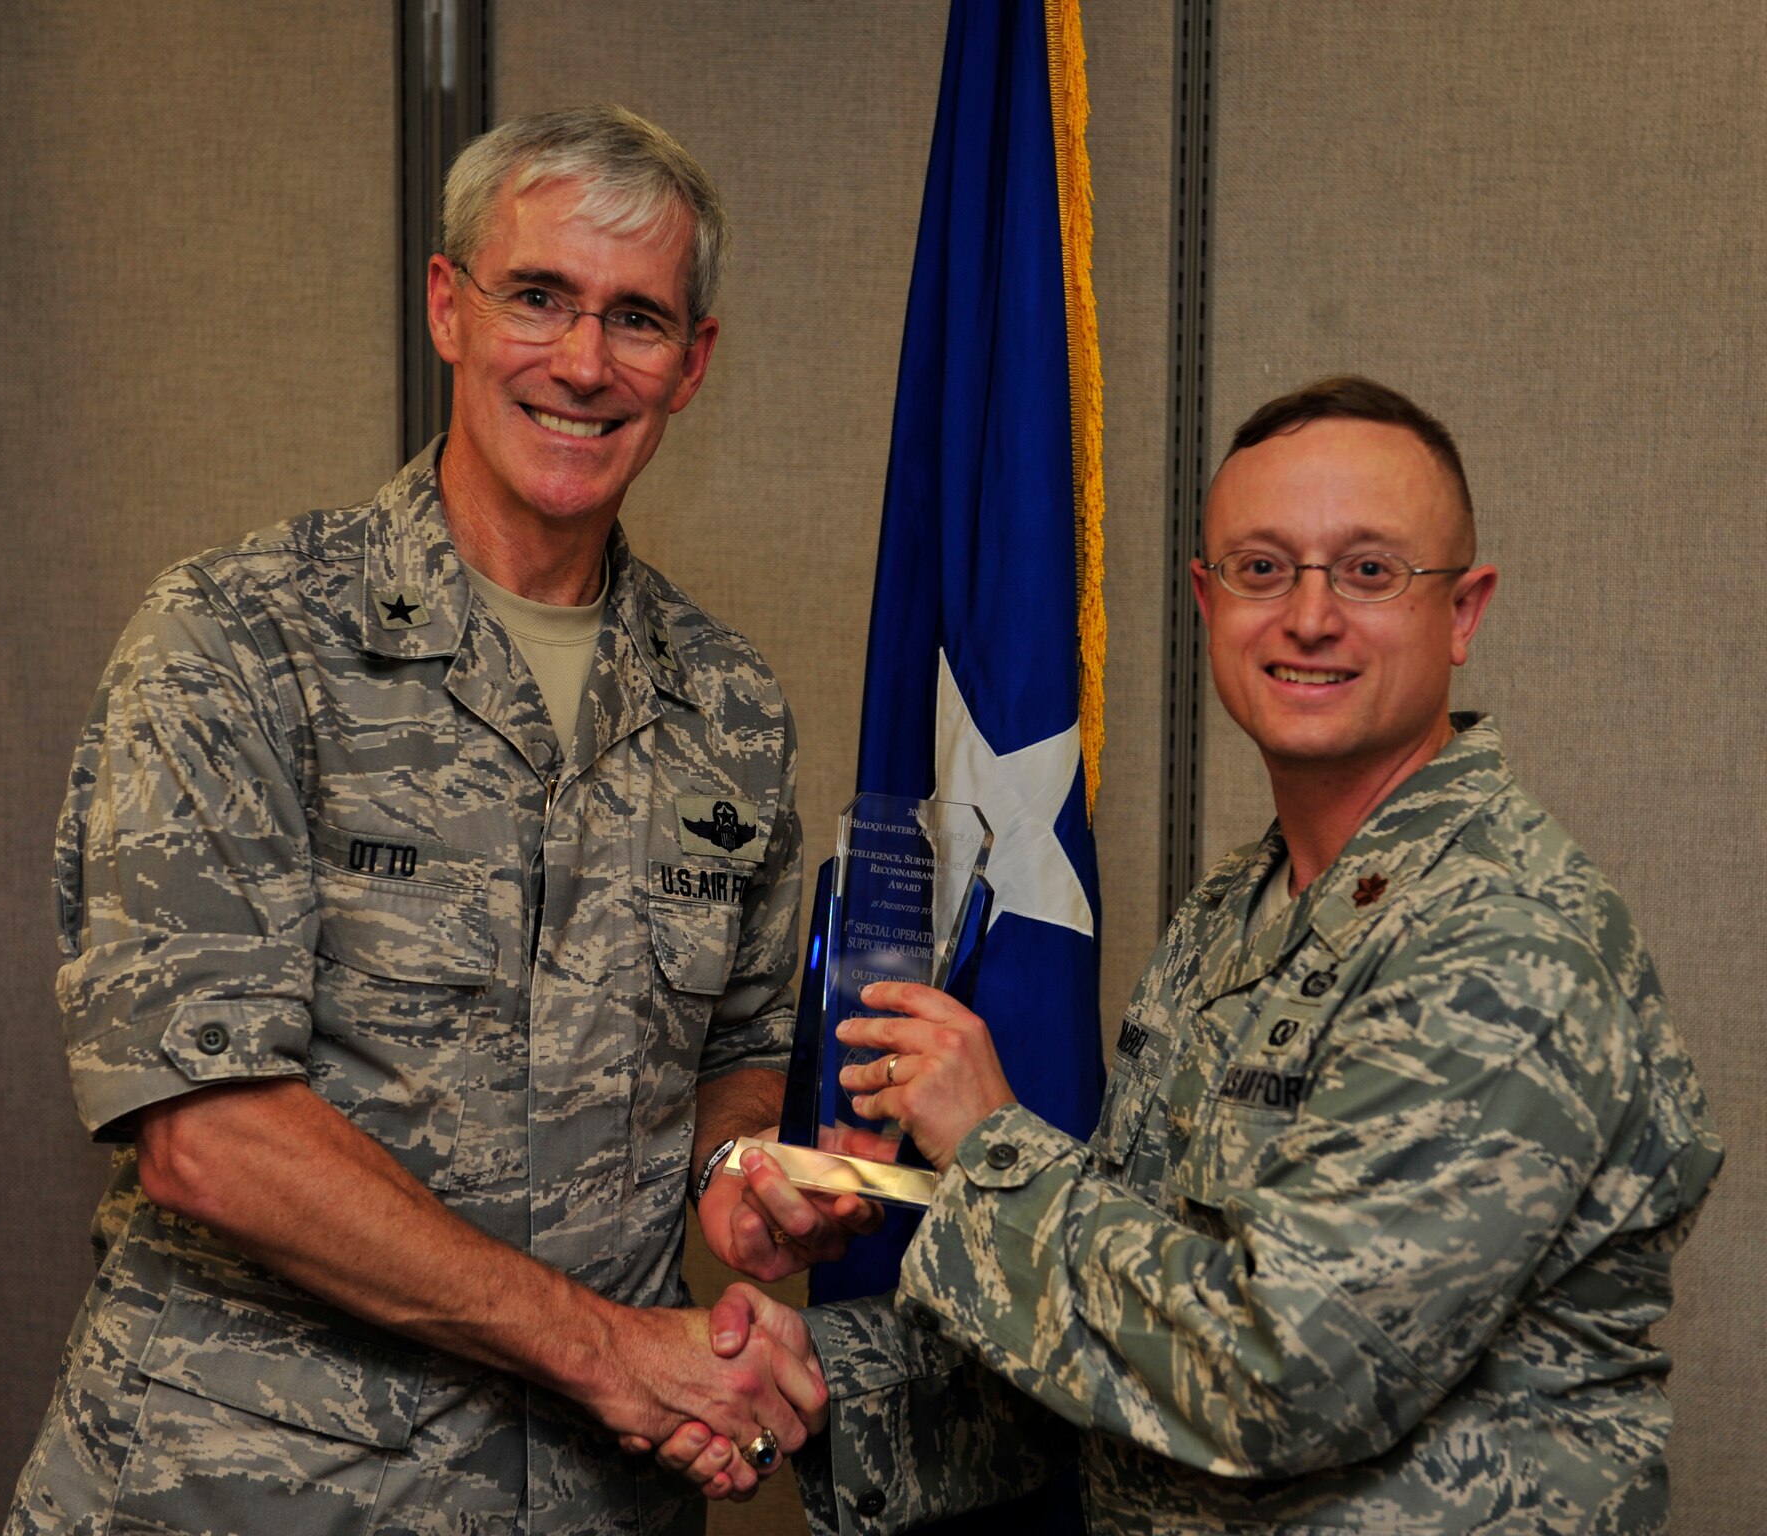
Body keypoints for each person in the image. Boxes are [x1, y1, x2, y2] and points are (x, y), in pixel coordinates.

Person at [9, 105, 877, 1535]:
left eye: (638, 318)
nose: (584, 362)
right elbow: (208, 1134)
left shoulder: (726, 705)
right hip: (252, 1499)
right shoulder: (239, 641)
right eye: (537, 296)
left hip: (593, 1501)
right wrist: (615, 1357)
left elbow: (737, 1050)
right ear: (446, 307)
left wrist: (740, 1171)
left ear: (693, 362)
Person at [660, 376, 1724, 1534]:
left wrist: (989, 1145)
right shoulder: (1232, 911)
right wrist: (810, 1378)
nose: (1307, 616)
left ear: (1462, 612)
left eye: (1368, 570)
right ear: (1207, 603)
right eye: (1261, 568)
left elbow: (1285, 1380)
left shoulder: (1500, 940)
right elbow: (1124, 1333)